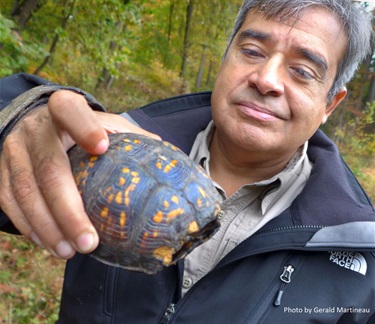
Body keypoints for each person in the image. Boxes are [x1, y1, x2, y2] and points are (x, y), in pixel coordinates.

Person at [0, 0, 374, 322]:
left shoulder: (358, 251)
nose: (266, 79)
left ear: (330, 103)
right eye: (252, 51)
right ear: (225, 56)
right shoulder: (114, 144)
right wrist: (16, 117)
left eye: (302, 72)